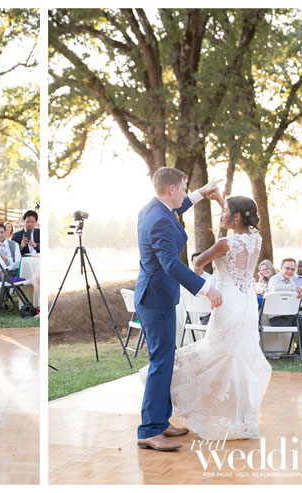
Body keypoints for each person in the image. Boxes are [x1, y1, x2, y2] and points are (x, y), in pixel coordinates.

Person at [134, 167, 222, 452]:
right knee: (161, 362)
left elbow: (178, 208)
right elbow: (171, 265)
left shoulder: (155, 209)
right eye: (184, 189)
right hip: (155, 299)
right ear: (171, 189)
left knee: (165, 360)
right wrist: (207, 288)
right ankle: (149, 430)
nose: (185, 194)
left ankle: (160, 421)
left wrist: (200, 194)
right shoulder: (159, 218)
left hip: (156, 295)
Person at [170, 193, 271, 441]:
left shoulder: (225, 244)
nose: (221, 214)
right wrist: (219, 200)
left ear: (235, 217)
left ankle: (185, 391)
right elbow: (238, 217)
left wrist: (201, 273)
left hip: (227, 303)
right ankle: (241, 418)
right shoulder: (256, 238)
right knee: (240, 355)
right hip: (247, 303)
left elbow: (198, 262)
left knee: (218, 353)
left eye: (224, 211)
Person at [267, 258, 302, 362]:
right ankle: (300, 354)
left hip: (290, 315)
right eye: (287, 268)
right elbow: (276, 289)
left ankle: (300, 353)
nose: (290, 271)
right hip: (278, 318)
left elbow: (293, 297)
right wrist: (294, 289)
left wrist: (299, 295)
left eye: (292, 269)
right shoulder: (274, 279)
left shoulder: (290, 281)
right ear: (281, 268)